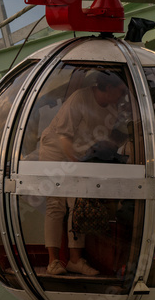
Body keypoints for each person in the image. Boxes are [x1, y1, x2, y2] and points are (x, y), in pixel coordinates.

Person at [38, 70, 127, 276]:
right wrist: (77, 163)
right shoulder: (80, 99)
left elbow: (101, 140)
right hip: (57, 151)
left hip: (79, 156)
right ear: (108, 88)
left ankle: (75, 260)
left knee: (78, 205)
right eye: (121, 90)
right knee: (56, 205)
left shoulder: (112, 108)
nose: (123, 95)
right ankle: (53, 262)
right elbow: (63, 135)